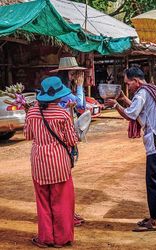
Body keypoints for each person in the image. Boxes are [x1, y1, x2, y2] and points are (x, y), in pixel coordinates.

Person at [105, 66, 156, 232]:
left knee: (153, 182)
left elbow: (130, 114)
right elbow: (139, 111)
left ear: (136, 81)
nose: (127, 87)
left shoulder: (142, 93)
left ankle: (155, 220)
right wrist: (123, 100)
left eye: (128, 83)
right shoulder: (153, 89)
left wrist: (116, 105)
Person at [24, 76, 78, 247]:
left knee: (43, 202)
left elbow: (28, 136)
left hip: (39, 162)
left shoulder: (32, 112)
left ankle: (46, 238)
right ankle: (62, 239)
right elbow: (71, 140)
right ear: (58, 95)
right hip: (59, 163)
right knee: (62, 201)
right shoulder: (62, 114)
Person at [50, 57, 86, 226]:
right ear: (67, 74)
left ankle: (66, 211)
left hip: (57, 140)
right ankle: (65, 213)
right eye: (74, 73)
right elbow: (80, 106)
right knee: (63, 180)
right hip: (64, 139)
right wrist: (80, 86)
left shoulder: (60, 90)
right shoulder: (63, 90)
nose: (76, 75)